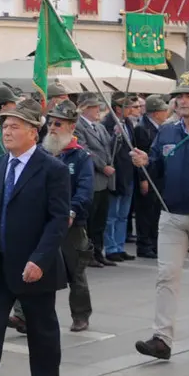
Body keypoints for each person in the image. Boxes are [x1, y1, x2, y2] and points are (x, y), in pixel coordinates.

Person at [0, 103, 70, 376]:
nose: (7, 132)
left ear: (33, 132)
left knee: (42, 335)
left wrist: (40, 260)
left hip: (33, 269)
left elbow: (57, 220)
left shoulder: (52, 169)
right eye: (5, 127)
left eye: (15, 127)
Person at [130, 72, 189, 360]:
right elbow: (158, 165)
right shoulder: (168, 131)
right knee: (166, 276)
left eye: (188, 96)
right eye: (179, 96)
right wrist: (146, 161)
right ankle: (162, 338)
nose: (182, 101)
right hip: (171, 215)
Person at [42, 100, 95, 332]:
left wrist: (72, 211)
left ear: (72, 127)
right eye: (50, 123)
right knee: (35, 268)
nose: (52, 128)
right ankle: (24, 315)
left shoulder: (80, 157)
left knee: (76, 272)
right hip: (43, 222)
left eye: (58, 124)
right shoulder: (42, 153)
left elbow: (85, 189)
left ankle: (81, 315)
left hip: (71, 225)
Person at [74, 92, 117, 268]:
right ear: (84, 109)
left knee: (101, 220)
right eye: (93, 107)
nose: (97, 110)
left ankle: (99, 253)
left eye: (97, 106)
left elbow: (108, 146)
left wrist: (117, 136)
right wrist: (102, 166)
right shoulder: (79, 127)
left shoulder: (99, 127)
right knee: (90, 220)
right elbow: (84, 150)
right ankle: (88, 254)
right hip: (93, 177)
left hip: (105, 180)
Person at [101, 92, 139, 262]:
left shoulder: (128, 122)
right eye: (128, 106)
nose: (131, 109)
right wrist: (114, 135)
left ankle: (119, 245)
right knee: (112, 215)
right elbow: (108, 150)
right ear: (118, 108)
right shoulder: (108, 123)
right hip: (116, 173)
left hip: (128, 172)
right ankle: (111, 248)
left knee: (123, 214)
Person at [133, 95, 169, 259]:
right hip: (147, 175)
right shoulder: (143, 128)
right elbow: (141, 154)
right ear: (155, 112)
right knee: (145, 212)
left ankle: (154, 243)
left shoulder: (160, 127)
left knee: (155, 212)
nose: (166, 113)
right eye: (163, 110)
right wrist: (143, 179)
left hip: (157, 175)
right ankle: (144, 244)